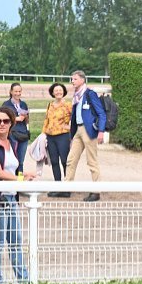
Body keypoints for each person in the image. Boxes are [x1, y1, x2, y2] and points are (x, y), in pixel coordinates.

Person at [0, 106, 37, 284]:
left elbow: (12, 170)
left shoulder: (12, 143)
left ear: (11, 123)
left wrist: (25, 175)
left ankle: (23, 280)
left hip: (11, 198)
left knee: (15, 242)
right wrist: (20, 179)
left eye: (5, 121)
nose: (1, 124)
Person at [65, 70, 106, 202]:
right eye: (72, 79)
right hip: (78, 130)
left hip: (89, 130)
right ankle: (66, 188)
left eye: (75, 79)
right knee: (71, 159)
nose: (72, 81)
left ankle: (96, 191)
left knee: (92, 161)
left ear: (82, 80)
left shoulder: (89, 94)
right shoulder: (76, 95)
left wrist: (101, 131)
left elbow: (101, 113)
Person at [43, 82, 73, 197]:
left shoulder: (68, 105)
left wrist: (70, 127)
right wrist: (43, 134)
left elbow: (75, 118)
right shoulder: (50, 105)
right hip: (50, 137)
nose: (58, 92)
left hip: (63, 136)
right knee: (54, 162)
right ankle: (57, 187)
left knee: (65, 161)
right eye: (56, 90)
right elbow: (46, 120)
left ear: (64, 92)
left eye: (60, 90)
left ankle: (67, 188)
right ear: (52, 92)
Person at [2, 83, 30, 170]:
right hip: (12, 135)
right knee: (13, 160)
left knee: (21, 161)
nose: (18, 93)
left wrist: (25, 117)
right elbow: (3, 119)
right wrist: (16, 118)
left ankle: (20, 177)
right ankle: (11, 177)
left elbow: (27, 121)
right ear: (11, 92)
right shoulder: (6, 105)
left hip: (23, 135)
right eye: (16, 91)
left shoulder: (23, 104)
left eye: (19, 91)